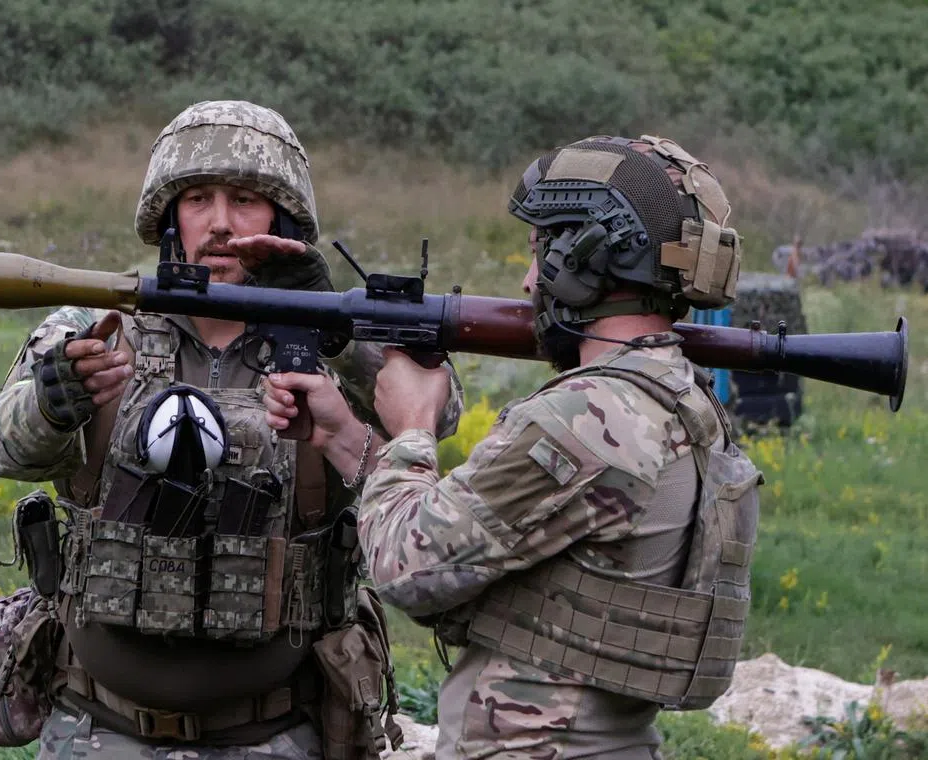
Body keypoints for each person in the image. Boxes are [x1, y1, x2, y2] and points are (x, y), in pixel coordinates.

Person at [0, 100, 462, 759]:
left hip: (280, 731)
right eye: (198, 198)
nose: (221, 222)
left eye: (245, 200)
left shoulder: (332, 337)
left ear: (282, 218)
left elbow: (435, 413)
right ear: (169, 216)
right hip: (97, 728)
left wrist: (334, 328)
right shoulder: (97, 328)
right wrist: (50, 406)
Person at [263, 135, 762, 759]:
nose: (528, 283)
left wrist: (413, 425)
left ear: (583, 259)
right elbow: (470, 534)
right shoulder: (679, 397)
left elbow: (409, 569)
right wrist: (344, 437)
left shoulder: (587, 417)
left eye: (538, 254)